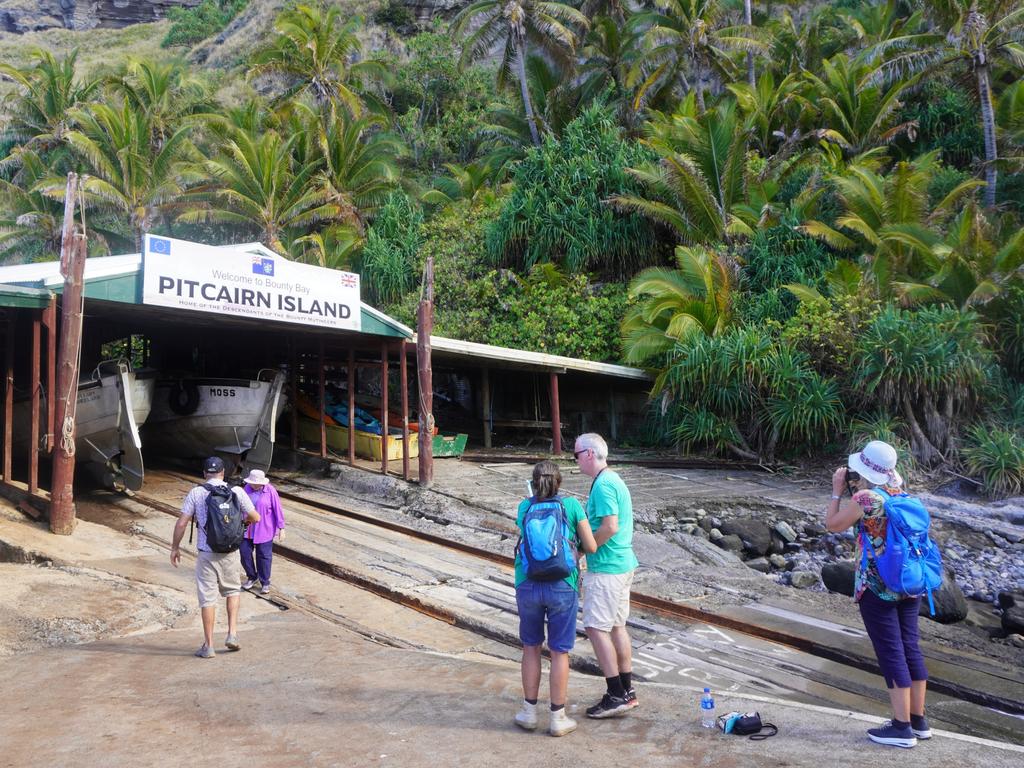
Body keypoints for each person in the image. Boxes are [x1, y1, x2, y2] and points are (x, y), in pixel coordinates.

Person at [825, 440, 931, 749]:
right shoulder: (902, 493)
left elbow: (832, 525)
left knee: (890, 652)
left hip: (877, 587)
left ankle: (901, 728)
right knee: (910, 647)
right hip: (909, 583)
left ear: (862, 470)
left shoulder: (866, 498)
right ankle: (918, 721)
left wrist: (836, 490)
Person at [513, 460, 597, 737]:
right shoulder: (571, 506)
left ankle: (528, 712)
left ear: (534, 482)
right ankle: (557, 718)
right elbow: (592, 545)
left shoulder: (524, 507)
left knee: (531, 647)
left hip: (528, 583)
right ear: (559, 482)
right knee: (559, 652)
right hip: (563, 584)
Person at [574, 433, 640, 719]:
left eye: (576, 455)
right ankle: (627, 690)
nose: (575, 460)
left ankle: (615, 694)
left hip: (607, 568)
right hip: (622, 563)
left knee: (595, 627)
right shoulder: (613, 479)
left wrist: (585, 549)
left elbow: (610, 526)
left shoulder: (603, 485)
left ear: (589, 454)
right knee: (616, 626)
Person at [170, 456, 259, 659]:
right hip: (230, 552)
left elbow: (182, 523)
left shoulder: (197, 493)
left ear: (204, 473)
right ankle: (232, 634)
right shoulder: (236, 491)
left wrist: (175, 547)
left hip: (207, 553)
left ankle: (209, 646)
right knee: (232, 590)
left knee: (208, 598)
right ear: (223, 473)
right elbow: (255, 517)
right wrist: (240, 526)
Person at [240, 468, 286, 595]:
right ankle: (251, 576)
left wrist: (281, 528)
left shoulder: (270, 491)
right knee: (244, 553)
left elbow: (278, 509)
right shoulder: (246, 489)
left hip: (265, 529)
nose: (254, 485)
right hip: (247, 528)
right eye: (252, 483)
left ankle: (265, 581)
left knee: (264, 556)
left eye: (257, 483)